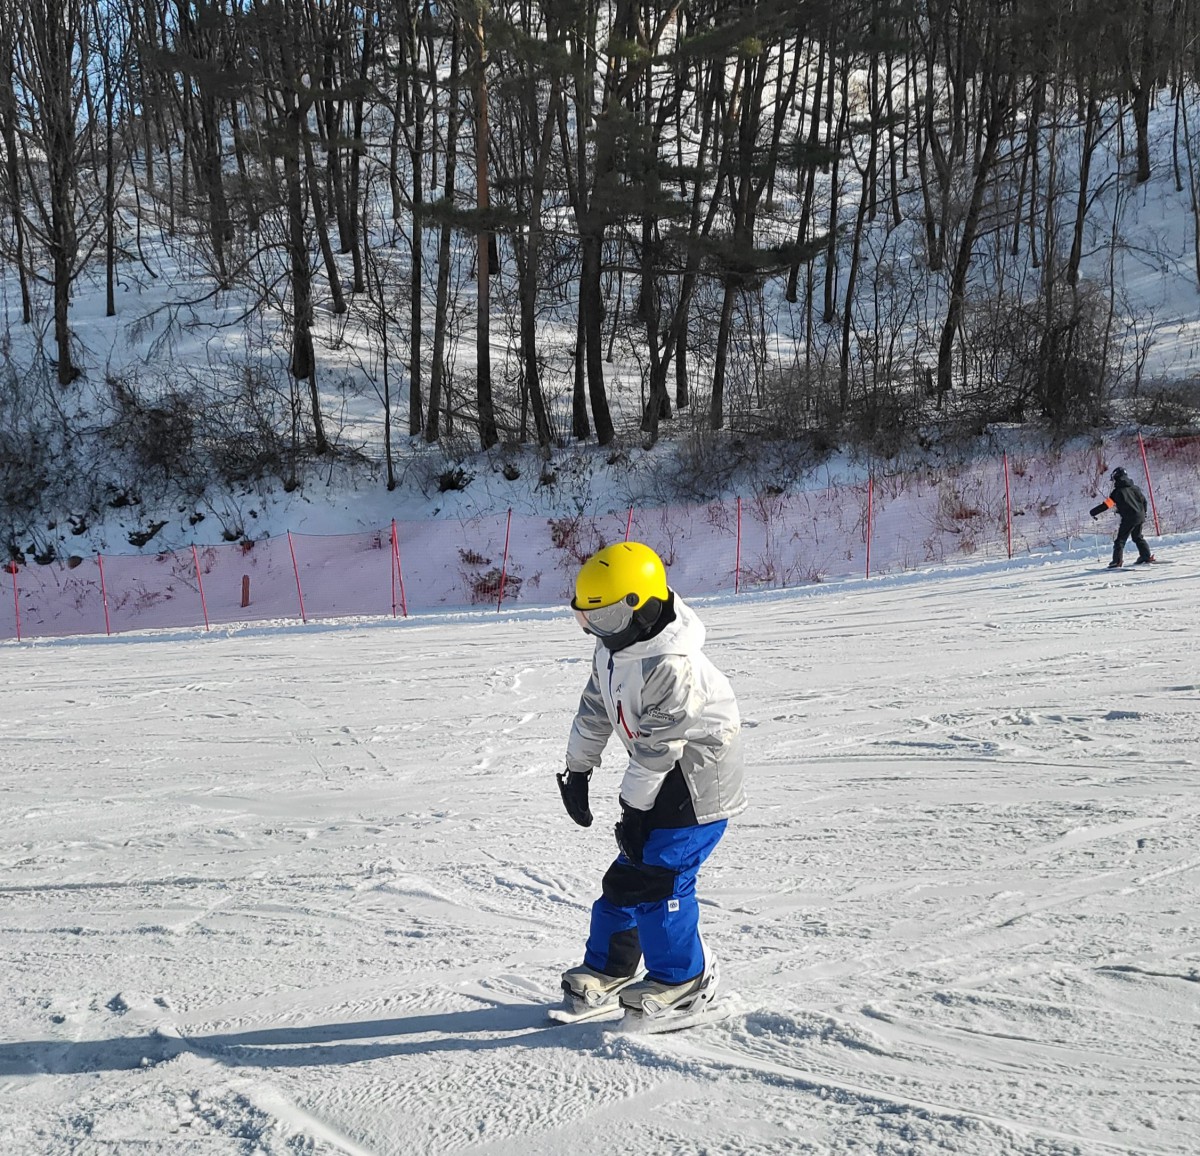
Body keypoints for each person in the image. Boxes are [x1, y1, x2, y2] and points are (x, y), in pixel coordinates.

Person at [555, 541, 745, 1020]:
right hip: (657, 774)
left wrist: (634, 810)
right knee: (627, 878)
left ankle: (685, 979)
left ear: (641, 607)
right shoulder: (615, 647)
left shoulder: (673, 665)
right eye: (588, 620)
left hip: (696, 784)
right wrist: (578, 769)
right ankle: (609, 968)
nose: (597, 632)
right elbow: (596, 708)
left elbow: (659, 749)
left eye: (607, 619)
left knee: (661, 880)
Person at [1090, 466, 1155, 568]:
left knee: (1120, 540)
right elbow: (1144, 501)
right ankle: (1146, 556)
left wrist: (1093, 512)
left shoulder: (1117, 492)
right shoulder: (1135, 488)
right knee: (1137, 537)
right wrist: (1144, 513)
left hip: (1129, 518)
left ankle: (1117, 561)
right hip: (1140, 516)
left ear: (1116, 478)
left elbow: (1106, 505)